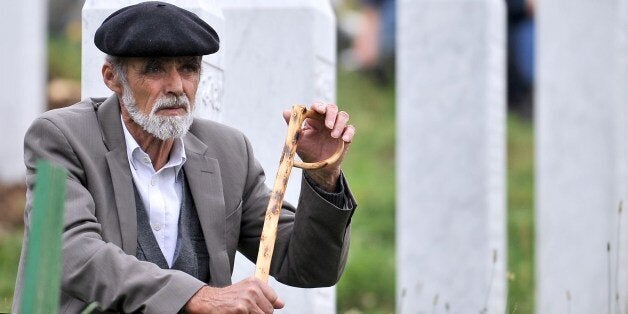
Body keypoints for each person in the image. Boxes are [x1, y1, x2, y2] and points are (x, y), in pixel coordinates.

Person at [12, 2, 357, 313]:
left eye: (189, 68)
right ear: (112, 78)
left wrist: (323, 175)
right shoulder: (61, 137)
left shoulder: (228, 152)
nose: (177, 85)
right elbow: (70, 252)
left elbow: (307, 266)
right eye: (155, 69)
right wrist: (195, 296)